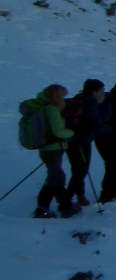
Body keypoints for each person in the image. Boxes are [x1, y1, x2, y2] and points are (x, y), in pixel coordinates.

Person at [26, 85, 81, 219]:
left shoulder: (44, 107)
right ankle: (45, 209)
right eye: (62, 96)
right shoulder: (53, 110)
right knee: (54, 178)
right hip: (53, 148)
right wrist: (73, 132)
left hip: (47, 148)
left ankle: (64, 205)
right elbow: (58, 131)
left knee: (58, 177)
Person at [66, 79, 115, 206]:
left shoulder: (79, 101)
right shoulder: (89, 104)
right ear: (94, 91)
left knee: (77, 169)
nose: (103, 93)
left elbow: (98, 119)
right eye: (101, 90)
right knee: (81, 170)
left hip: (72, 140)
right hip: (81, 141)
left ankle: (79, 196)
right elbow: (98, 124)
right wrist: (113, 131)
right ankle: (66, 199)